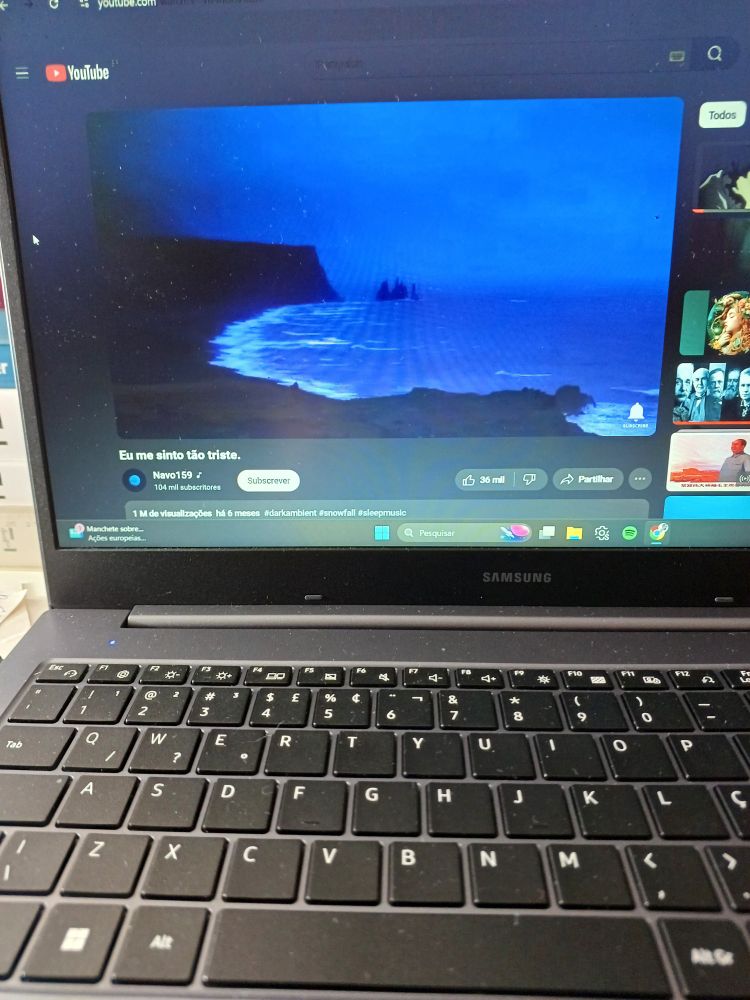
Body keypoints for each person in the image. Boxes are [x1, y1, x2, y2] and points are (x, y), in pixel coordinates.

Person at [707, 291, 750, 356]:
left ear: (743, 318)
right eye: (725, 318)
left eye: (731, 316)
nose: (725, 321)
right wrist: (719, 344)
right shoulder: (723, 342)